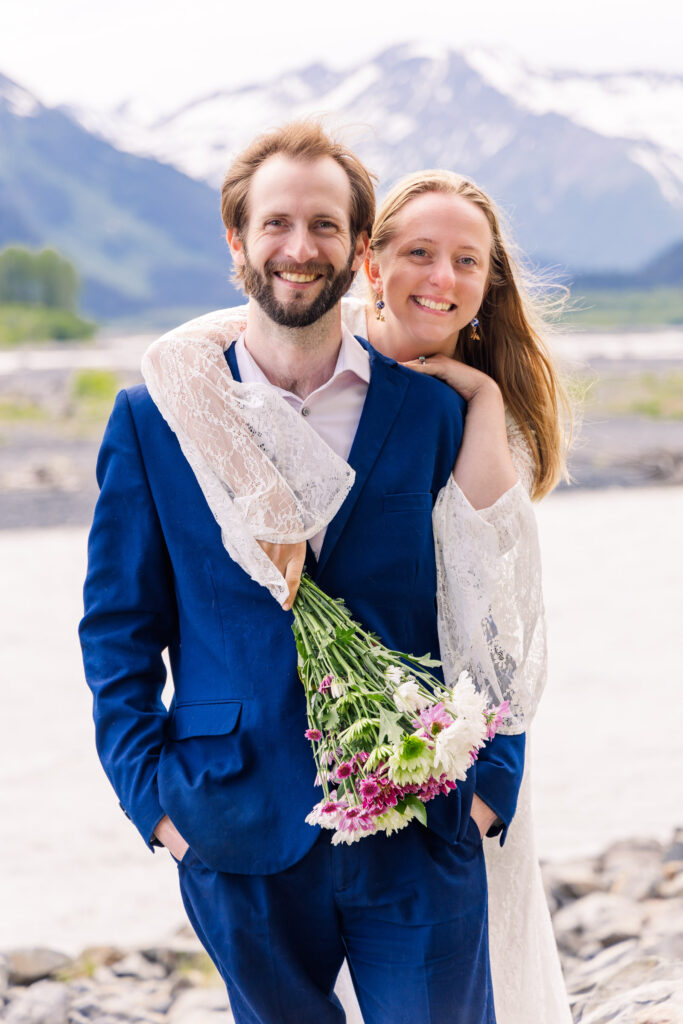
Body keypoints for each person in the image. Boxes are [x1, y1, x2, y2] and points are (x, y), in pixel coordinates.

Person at [80, 122, 526, 1024]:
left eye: (324, 226)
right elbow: (117, 633)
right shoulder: (153, 420)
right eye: (275, 223)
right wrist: (157, 807)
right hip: (232, 823)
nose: (298, 247)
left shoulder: (433, 413)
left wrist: (487, 790)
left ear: (359, 250)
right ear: (236, 241)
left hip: (421, 820)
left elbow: (491, 614)